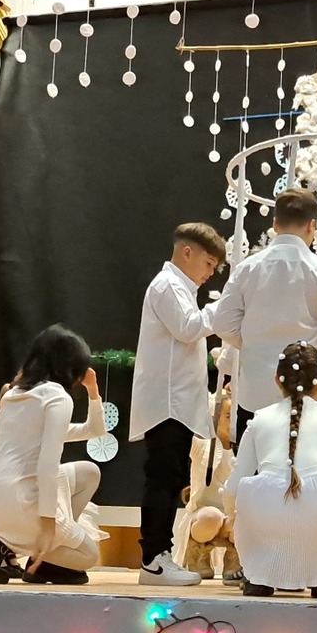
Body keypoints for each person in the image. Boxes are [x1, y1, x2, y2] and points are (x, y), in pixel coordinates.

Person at [210, 188, 317, 444]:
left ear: (275, 224)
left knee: (257, 465)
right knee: (312, 465)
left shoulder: (246, 269)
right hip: (311, 391)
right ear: (312, 225)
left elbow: (222, 324)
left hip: (256, 393)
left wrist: (253, 343)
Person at [227, 342, 317, 598]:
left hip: (264, 511)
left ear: (277, 380)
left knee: (250, 494)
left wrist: (233, 517)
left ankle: (260, 576)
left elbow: (233, 488)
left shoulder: (259, 418)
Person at [0, 325, 107, 586]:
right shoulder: (58, 398)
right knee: (88, 556)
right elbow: (48, 465)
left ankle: (3, 545)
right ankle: (27, 553)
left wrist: (93, 391)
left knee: (89, 473)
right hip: (19, 500)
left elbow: (93, 430)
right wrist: (48, 524)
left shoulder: (14, 394)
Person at [130, 222, 228, 586]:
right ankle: (153, 559)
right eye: (208, 263)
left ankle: (160, 554)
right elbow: (188, 327)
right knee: (162, 477)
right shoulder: (167, 285)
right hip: (167, 402)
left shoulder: (181, 288)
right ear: (187, 252)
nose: (210, 273)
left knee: (171, 479)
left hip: (177, 402)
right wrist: (225, 306)